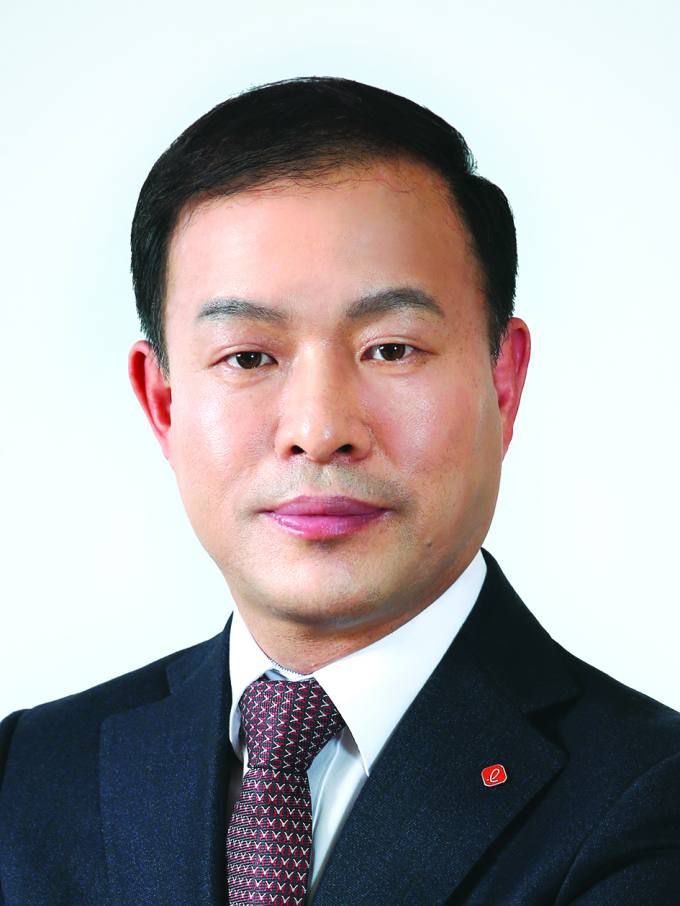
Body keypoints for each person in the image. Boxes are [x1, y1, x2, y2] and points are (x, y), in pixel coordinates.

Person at [1, 75, 679, 906]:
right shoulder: (30, 773)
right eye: (249, 357)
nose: (320, 430)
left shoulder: (649, 800)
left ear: (503, 382)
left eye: (391, 349)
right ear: (164, 403)